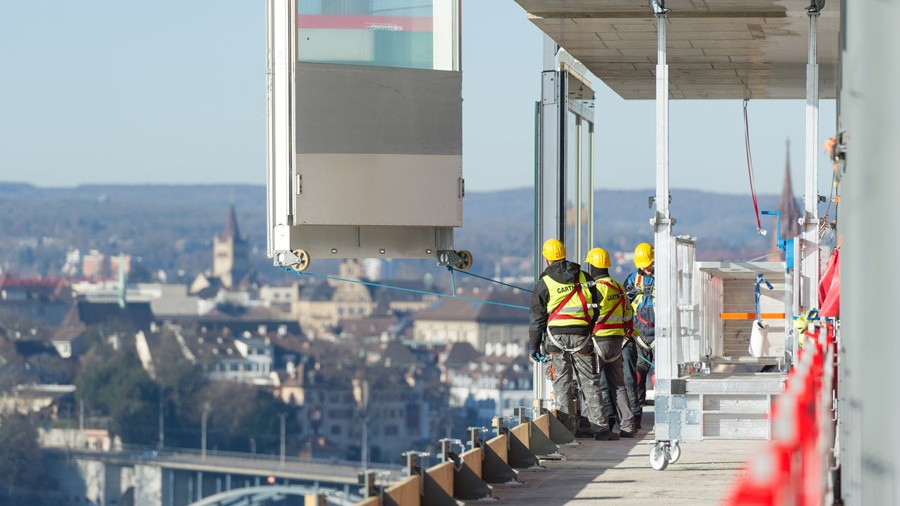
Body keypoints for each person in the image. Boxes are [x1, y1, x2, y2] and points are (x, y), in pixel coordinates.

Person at [529, 238, 619, 440]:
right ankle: (601, 430)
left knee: (562, 385)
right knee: (590, 382)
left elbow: (536, 318)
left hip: (555, 340)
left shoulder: (545, 282)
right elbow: (597, 303)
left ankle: (568, 434)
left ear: (546, 259)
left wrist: (534, 346)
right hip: (582, 336)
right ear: (564, 254)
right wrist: (588, 324)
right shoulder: (583, 276)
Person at [584, 247, 638, 437]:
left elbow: (586, 315)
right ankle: (628, 426)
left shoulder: (593, 289)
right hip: (617, 341)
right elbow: (629, 314)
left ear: (592, 266)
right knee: (618, 384)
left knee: (592, 384)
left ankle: (597, 426)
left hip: (598, 341)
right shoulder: (619, 288)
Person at [623, 242, 656, 431]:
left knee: (663, 376)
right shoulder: (632, 280)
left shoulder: (664, 277)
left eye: (649, 263)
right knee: (637, 374)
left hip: (661, 334)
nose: (646, 267)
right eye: (643, 264)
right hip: (639, 334)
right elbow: (625, 304)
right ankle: (637, 412)